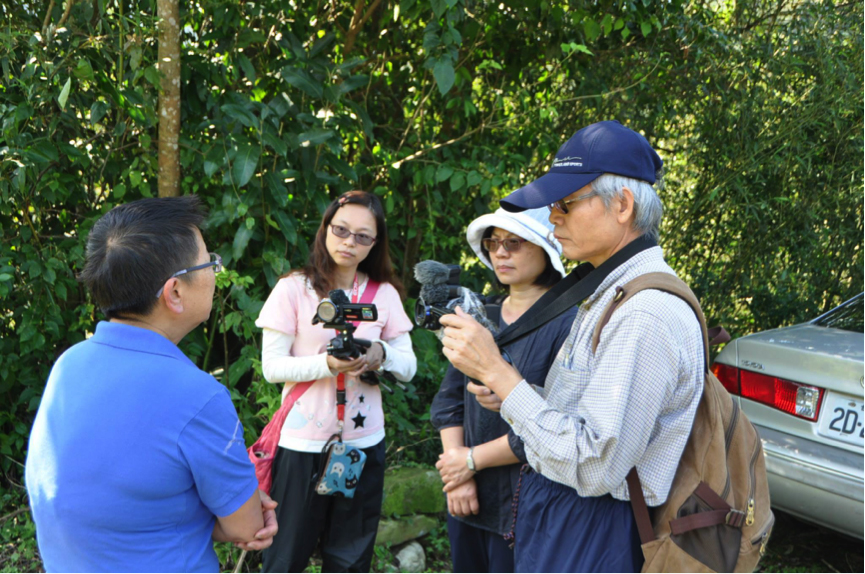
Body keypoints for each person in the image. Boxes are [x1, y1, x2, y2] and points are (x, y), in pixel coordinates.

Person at [439, 120, 704, 573]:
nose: (552, 216)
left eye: (565, 203)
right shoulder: (610, 293)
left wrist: (500, 374)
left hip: (594, 527)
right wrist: (516, 396)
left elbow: (596, 464)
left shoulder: (644, 314)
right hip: (564, 515)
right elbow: (582, 416)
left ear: (622, 205)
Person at [25, 196, 277, 573]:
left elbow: (86, 498)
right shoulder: (199, 397)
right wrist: (240, 506)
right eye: (210, 262)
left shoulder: (69, 364)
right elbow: (247, 525)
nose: (215, 272)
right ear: (175, 292)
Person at [256, 190, 417, 573]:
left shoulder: (384, 294)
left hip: (363, 444)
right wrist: (328, 364)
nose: (349, 242)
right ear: (325, 228)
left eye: (363, 236)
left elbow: (408, 366)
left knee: (350, 559)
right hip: (301, 445)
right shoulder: (294, 288)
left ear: (375, 243)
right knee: (285, 555)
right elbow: (272, 367)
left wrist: (381, 354)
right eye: (341, 230)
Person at [430, 207, 576, 573]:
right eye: (494, 243)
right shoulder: (481, 316)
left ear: (546, 249)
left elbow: (560, 423)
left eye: (514, 242)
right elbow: (450, 399)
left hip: (529, 501)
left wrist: (469, 461)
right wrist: (455, 471)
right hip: (469, 494)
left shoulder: (569, 322)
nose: (500, 253)